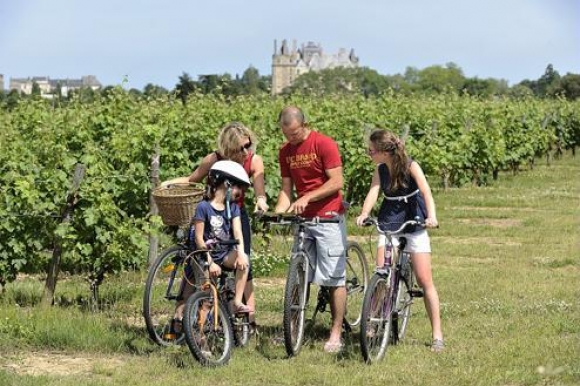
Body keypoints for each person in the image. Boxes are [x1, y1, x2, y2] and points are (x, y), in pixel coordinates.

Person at [162, 122, 268, 326]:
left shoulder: (254, 161)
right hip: (210, 215)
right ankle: (182, 315)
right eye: (242, 148)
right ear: (228, 148)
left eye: (249, 145)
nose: (247, 151)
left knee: (244, 261)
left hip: (235, 214)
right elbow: (192, 179)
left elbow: (260, 191)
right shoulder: (213, 159)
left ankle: (251, 320)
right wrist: (169, 184)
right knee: (196, 261)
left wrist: (261, 200)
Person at [355, 129, 444, 353]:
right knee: (382, 271)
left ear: (384, 151)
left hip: (413, 218)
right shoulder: (380, 169)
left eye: (371, 150)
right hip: (389, 218)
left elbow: (426, 192)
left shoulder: (411, 166)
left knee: (425, 280)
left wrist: (431, 216)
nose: (369, 154)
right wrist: (365, 212)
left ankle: (437, 335)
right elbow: (374, 192)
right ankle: (374, 321)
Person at [274, 106, 347, 353]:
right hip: (303, 220)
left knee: (334, 278)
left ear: (304, 124)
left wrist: (308, 197)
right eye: (286, 134)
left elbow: (337, 182)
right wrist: (277, 212)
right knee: (298, 276)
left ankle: (336, 332)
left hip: (328, 217)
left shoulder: (323, 143)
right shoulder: (285, 151)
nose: (291, 139)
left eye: (294, 134)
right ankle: (294, 328)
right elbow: (286, 189)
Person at [166, 160, 252, 341]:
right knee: (206, 297)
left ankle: (237, 301)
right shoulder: (203, 207)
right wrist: (210, 261)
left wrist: (241, 253)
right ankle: (200, 335)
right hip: (204, 255)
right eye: (238, 188)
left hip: (223, 253)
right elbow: (198, 238)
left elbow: (237, 232)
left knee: (244, 262)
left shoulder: (233, 208)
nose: (240, 194)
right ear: (227, 185)